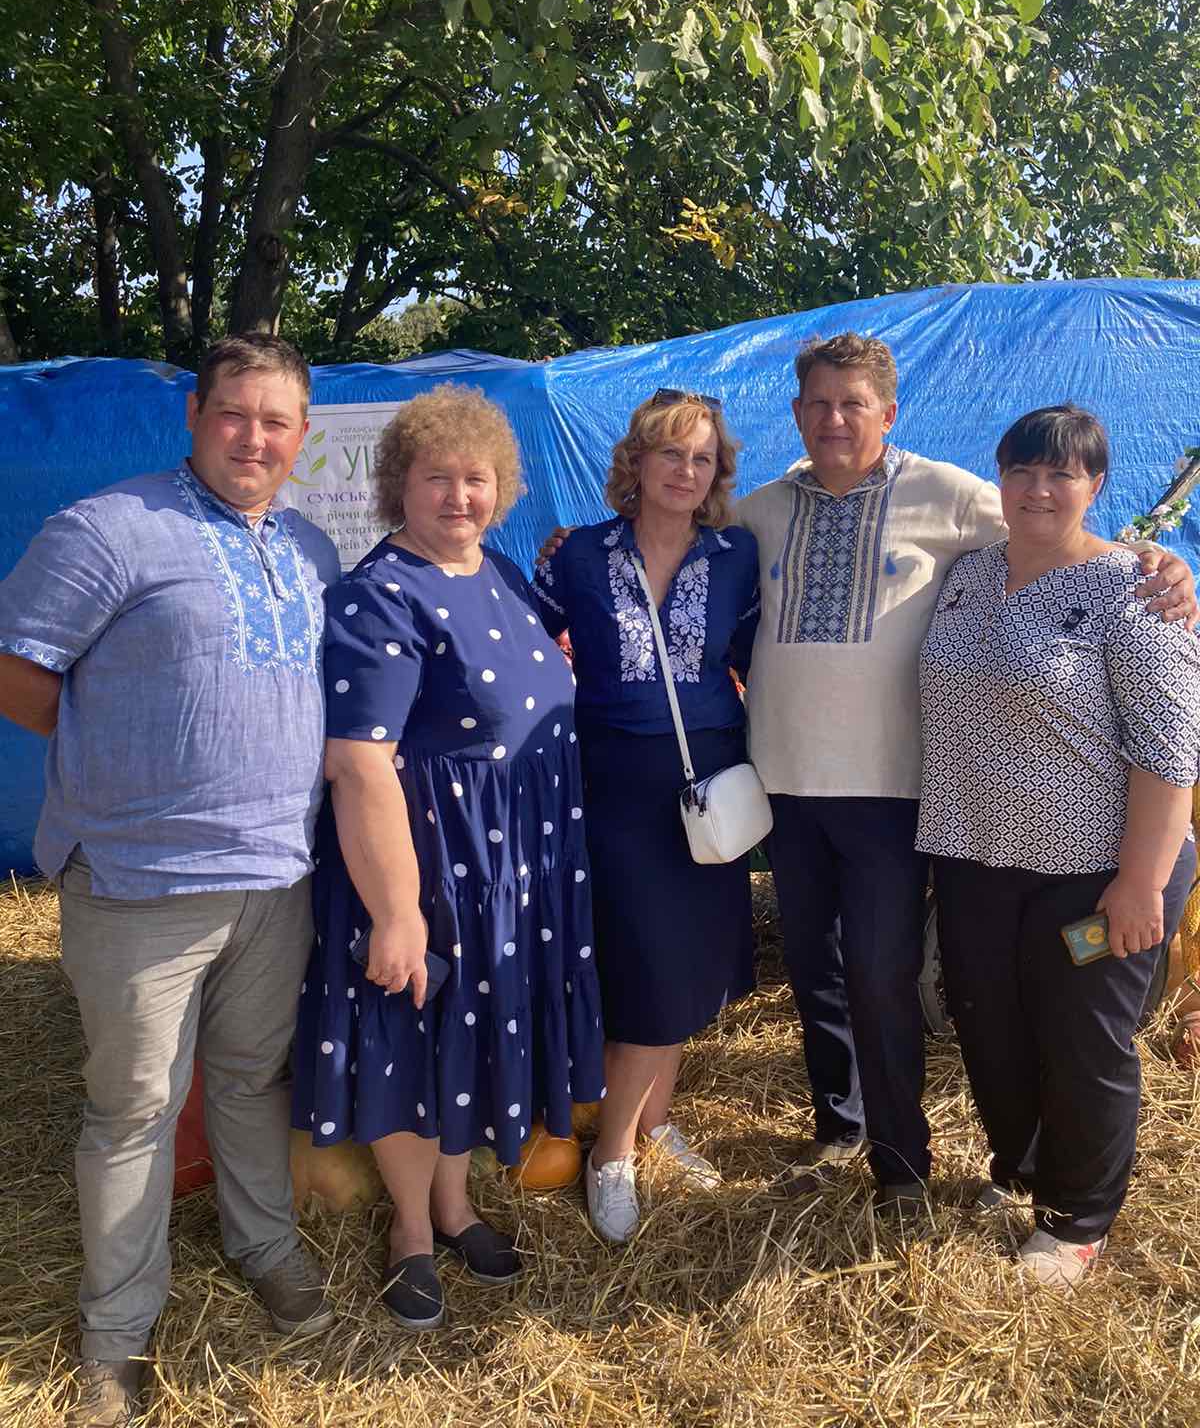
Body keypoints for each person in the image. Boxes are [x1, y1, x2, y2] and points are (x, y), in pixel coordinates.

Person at [734, 333, 1198, 1218]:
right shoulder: (770, 513)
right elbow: (682, 533)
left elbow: (1071, 547)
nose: (834, 419)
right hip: (868, 810)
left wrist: (1162, 564)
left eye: (853, 403)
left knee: (926, 985)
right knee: (900, 991)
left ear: (888, 413)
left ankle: (973, 1185)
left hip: (952, 812)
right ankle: (883, 1138)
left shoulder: (953, 498)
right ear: (796, 413)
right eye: (818, 403)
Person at [0, 335, 341, 1428]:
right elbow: (18, 670)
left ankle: (264, 1246)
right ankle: (116, 1329)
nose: (254, 437)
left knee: (249, 1080)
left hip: (277, 874)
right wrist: (119, 765)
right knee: (135, 1107)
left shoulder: (310, 548)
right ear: (194, 414)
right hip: (138, 883)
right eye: (235, 412)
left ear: (302, 436)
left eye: (276, 420)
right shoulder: (107, 528)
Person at [291, 383, 605, 1330]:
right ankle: (411, 1233)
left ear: (501, 487)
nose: (458, 497)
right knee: (414, 1035)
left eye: (476, 478)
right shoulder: (379, 594)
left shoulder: (500, 570)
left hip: (514, 865)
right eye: (437, 479)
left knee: (467, 1034)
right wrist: (397, 911)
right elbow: (357, 762)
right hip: (429, 865)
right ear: (400, 485)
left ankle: (456, 1206)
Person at [917, 405, 1200, 1286]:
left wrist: (1141, 883)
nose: (1039, 490)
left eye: (1061, 474)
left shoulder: (1136, 593)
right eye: (1023, 471)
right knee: (988, 1025)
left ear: (1095, 486)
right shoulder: (966, 575)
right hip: (974, 852)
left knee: (1084, 1042)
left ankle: (1079, 1217)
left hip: (1096, 869)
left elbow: (1169, 751)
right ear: (999, 478)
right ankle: (1020, 1168)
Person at [531, 388, 760, 1244]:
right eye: (671, 453)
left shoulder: (737, 556)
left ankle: (656, 1122)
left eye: (702, 458)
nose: (686, 471)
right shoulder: (579, 556)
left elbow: (762, 658)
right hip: (616, 785)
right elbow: (521, 645)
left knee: (687, 962)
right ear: (637, 460)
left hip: (712, 783)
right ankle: (612, 1154)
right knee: (645, 968)